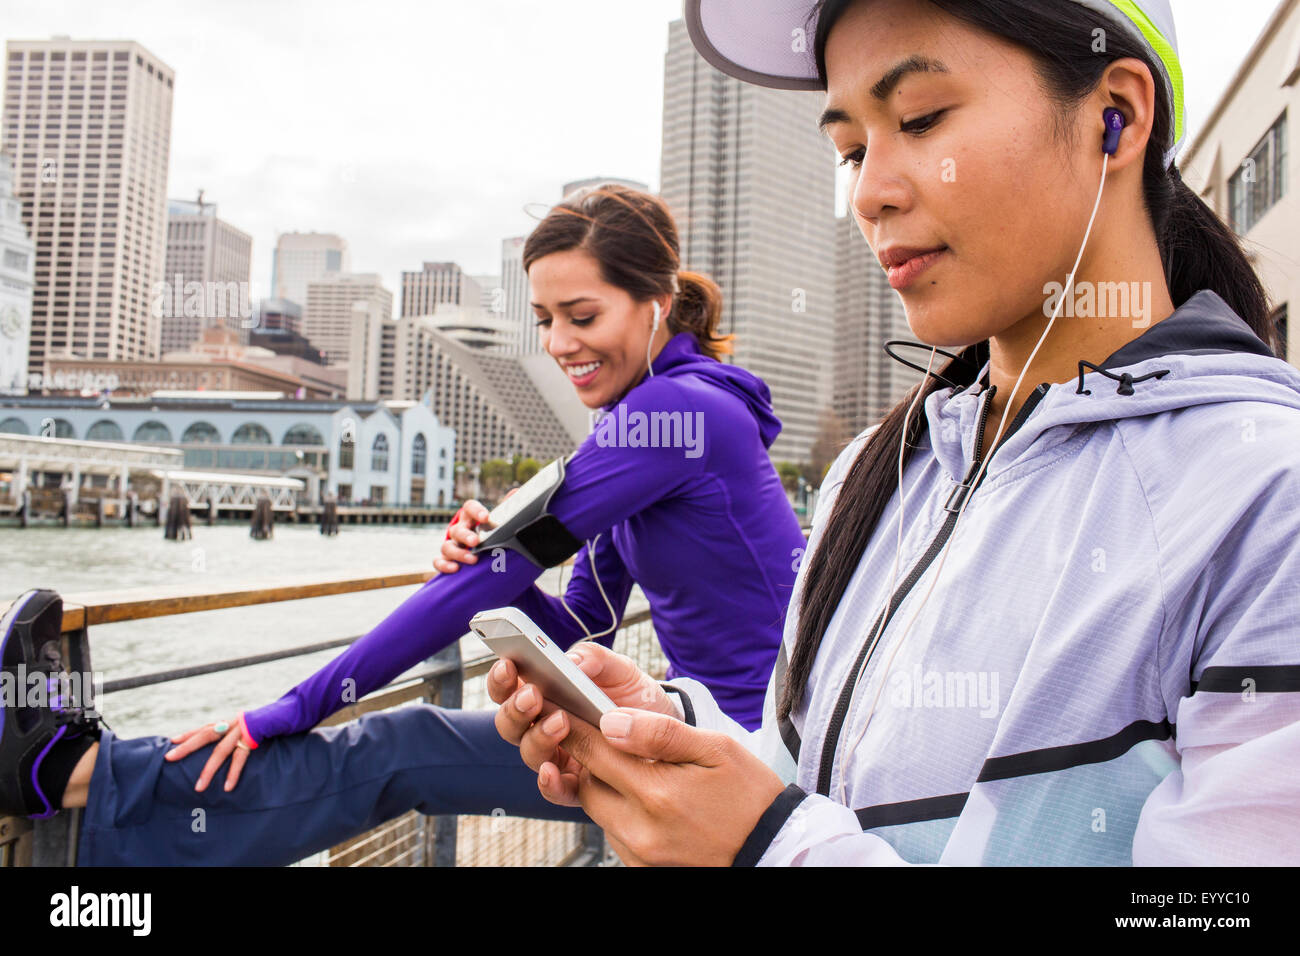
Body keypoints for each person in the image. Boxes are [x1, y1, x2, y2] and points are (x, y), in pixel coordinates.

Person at [490, 0, 1300, 866]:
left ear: (1117, 115)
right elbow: (817, 786)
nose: (870, 193)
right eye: (851, 148)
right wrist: (681, 741)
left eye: (920, 119)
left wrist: (769, 848)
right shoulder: (872, 475)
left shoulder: (1264, 496)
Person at [0, 185, 806, 865]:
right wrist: (491, 566)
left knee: (398, 749)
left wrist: (293, 705)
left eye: (582, 315)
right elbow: (586, 626)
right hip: (689, 724)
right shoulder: (645, 421)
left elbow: (504, 585)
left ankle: (76, 778)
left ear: (656, 304)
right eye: (545, 319)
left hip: (744, 759)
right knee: (400, 750)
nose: (560, 343)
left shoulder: (677, 415)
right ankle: (81, 778)